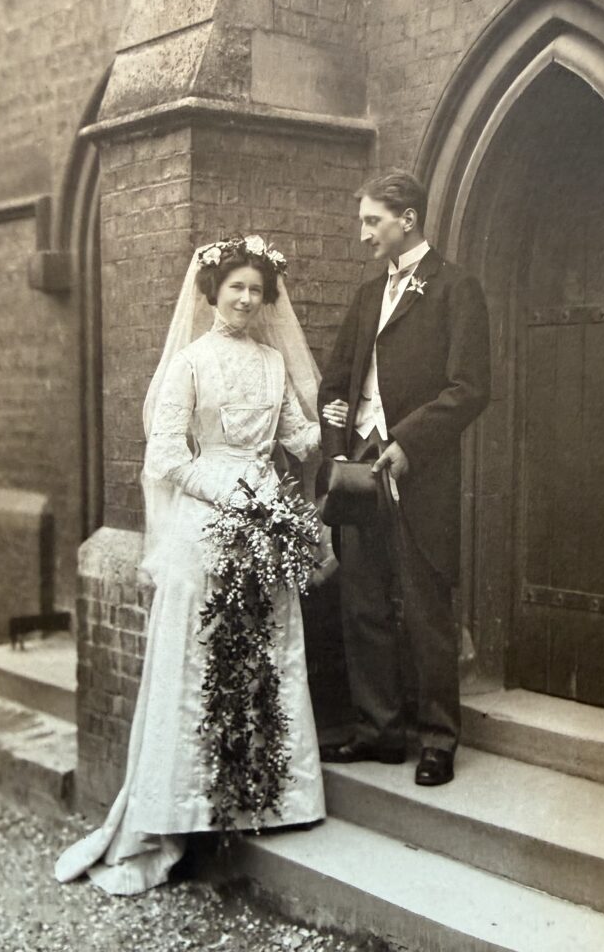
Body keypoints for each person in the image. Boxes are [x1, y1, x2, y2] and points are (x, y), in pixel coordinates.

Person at [55, 235, 333, 895]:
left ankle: (266, 798)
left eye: (256, 290)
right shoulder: (190, 363)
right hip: (206, 525)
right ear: (212, 292)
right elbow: (166, 457)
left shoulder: (272, 362)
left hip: (262, 522)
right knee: (201, 657)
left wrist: (325, 424)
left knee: (266, 652)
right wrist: (231, 495)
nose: (247, 299)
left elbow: (294, 437)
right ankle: (188, 808)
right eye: (236, 287)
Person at [318, 170, 490, 787]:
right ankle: (380, 732)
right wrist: (338, 451)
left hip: (420, 474)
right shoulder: (368, 295)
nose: (364, 234)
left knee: (425, 609)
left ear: (407, 219)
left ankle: (438, 740)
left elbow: (470, 387)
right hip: (358, 469)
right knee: (362, 601)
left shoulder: (455, 289)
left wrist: (408, 443)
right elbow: (335, 384)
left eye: (373, 221)